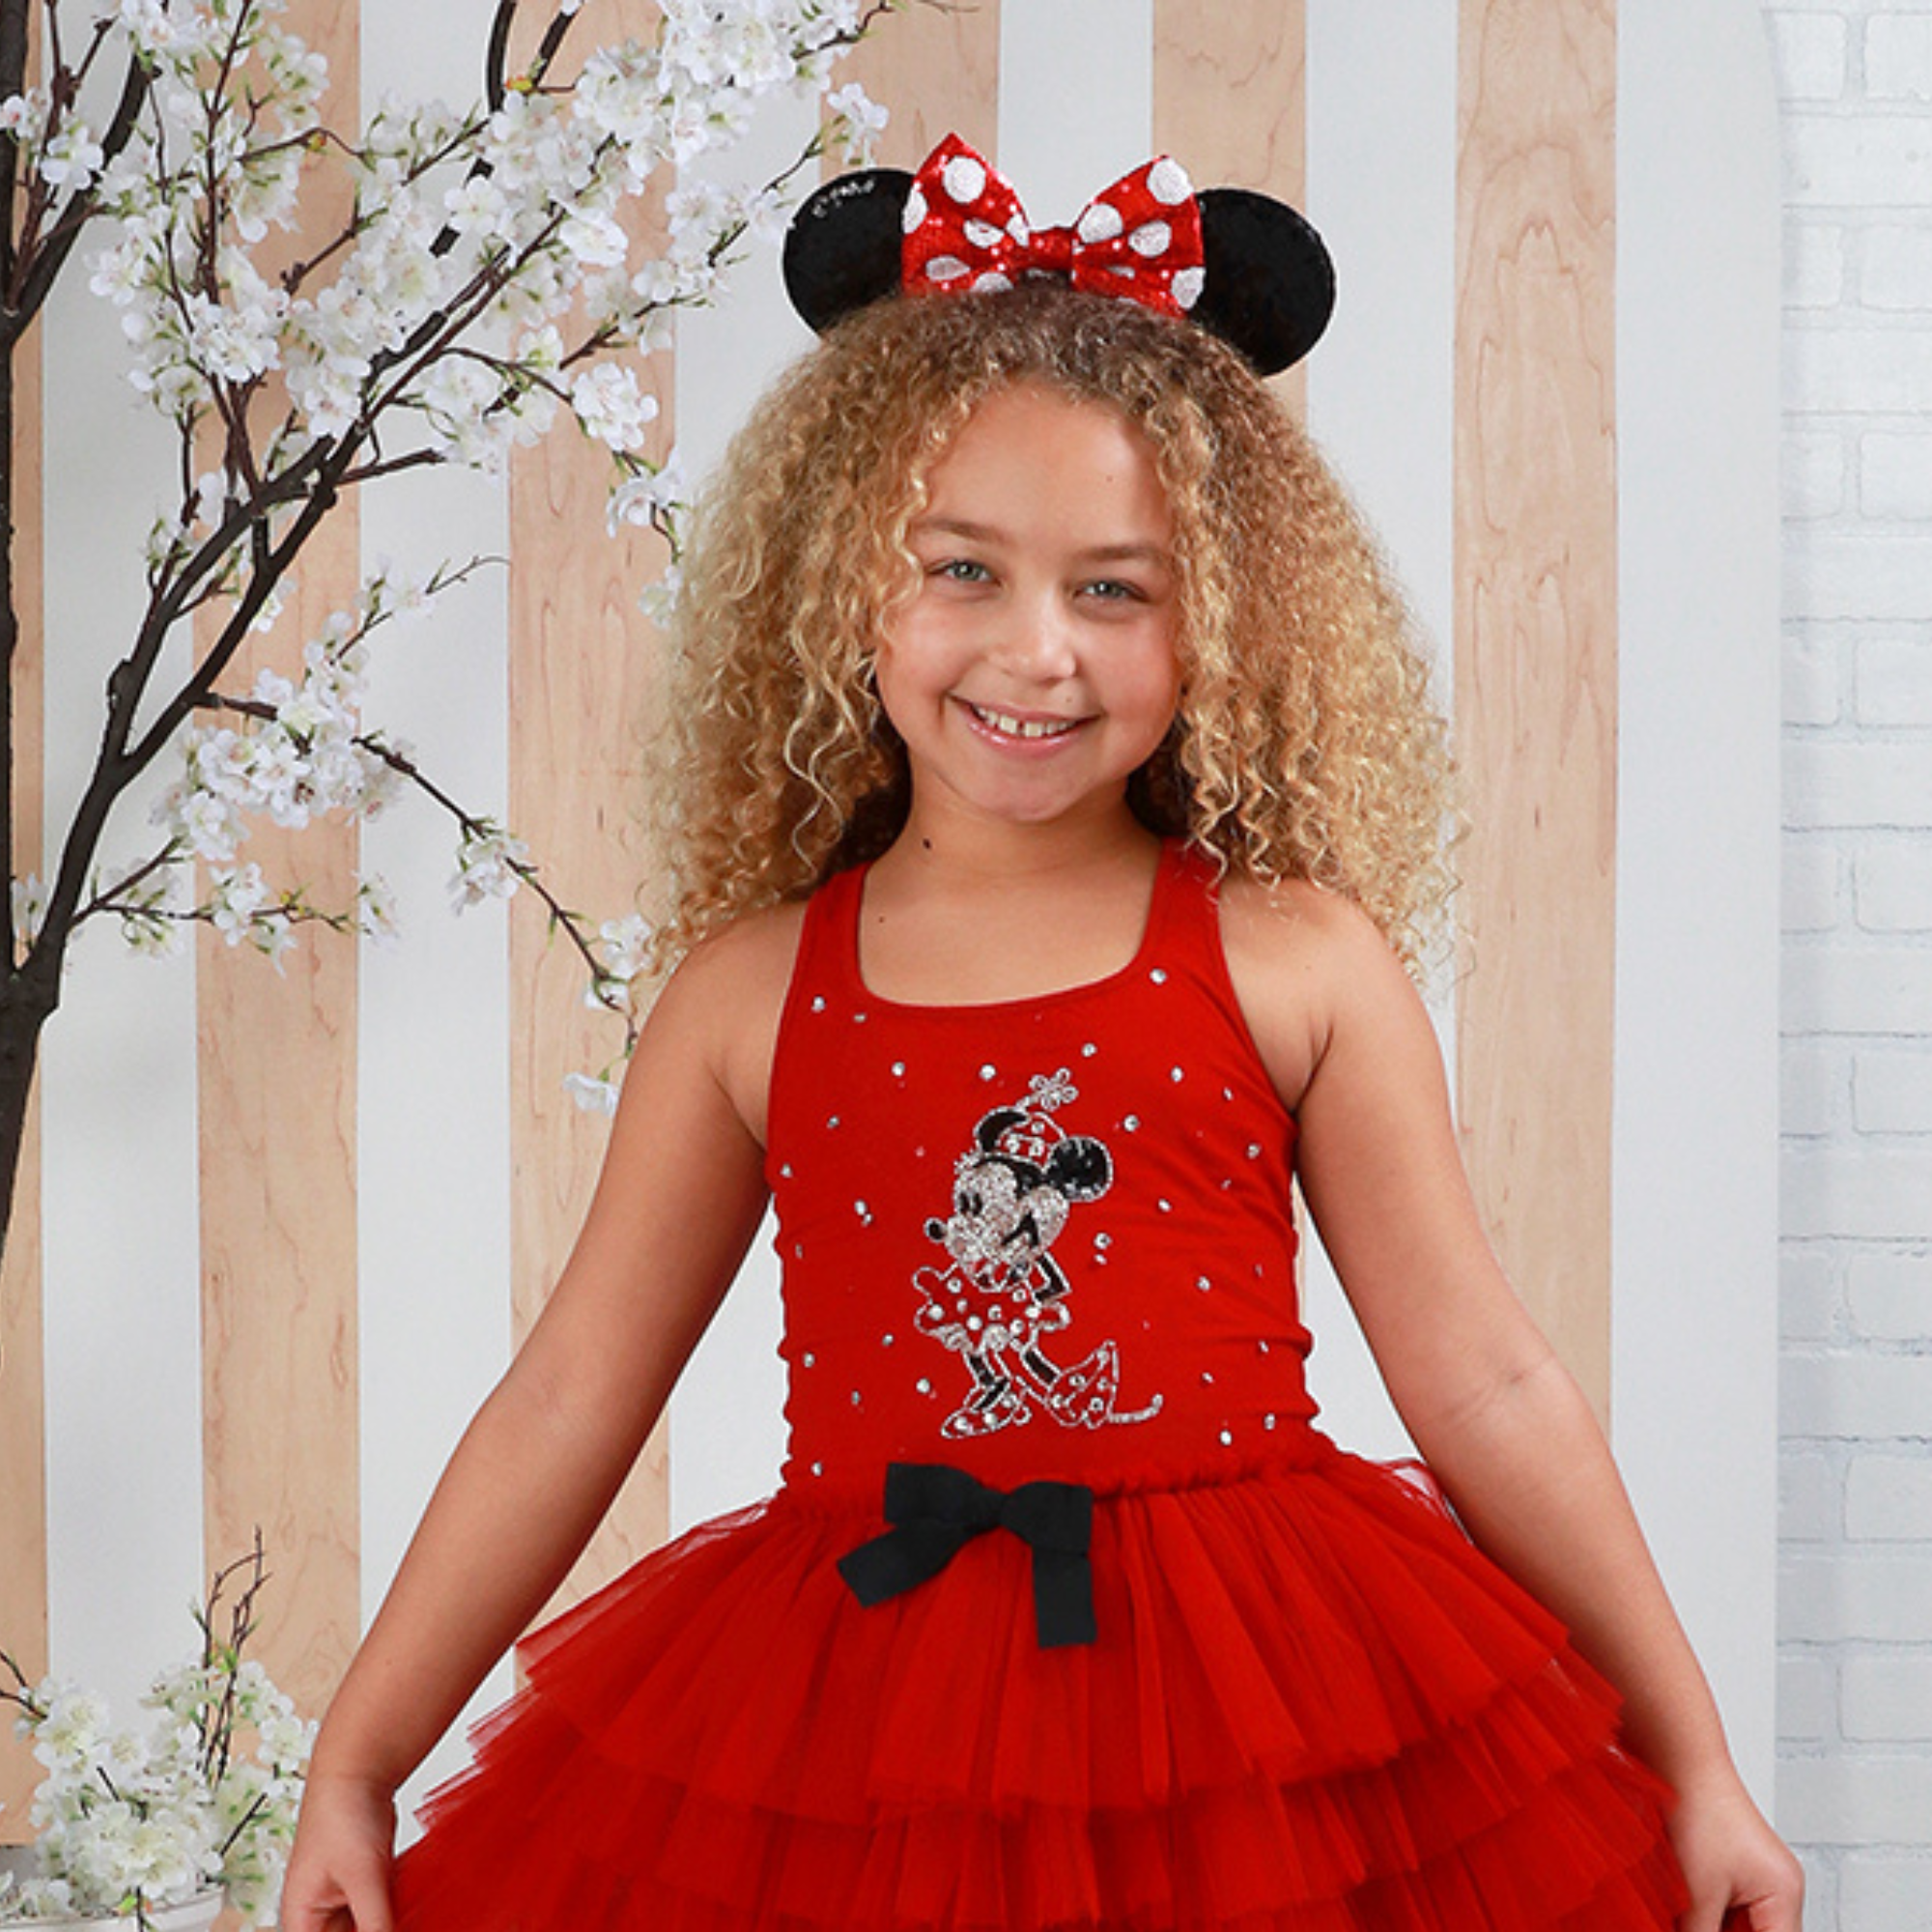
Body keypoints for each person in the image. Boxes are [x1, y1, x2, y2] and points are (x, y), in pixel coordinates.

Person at [282, 138, 1803, 1932]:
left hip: (1262, 1731)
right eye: (964, 571)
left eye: (1115, 587)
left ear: (1219, 623)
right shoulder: (751, 996)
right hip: (853, 1745)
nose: (1038, 653)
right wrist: (360, 1762)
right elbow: (564, 1401)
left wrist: (1697, 1763)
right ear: (847, 581)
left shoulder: (1292, 962)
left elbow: (1486, 1385)